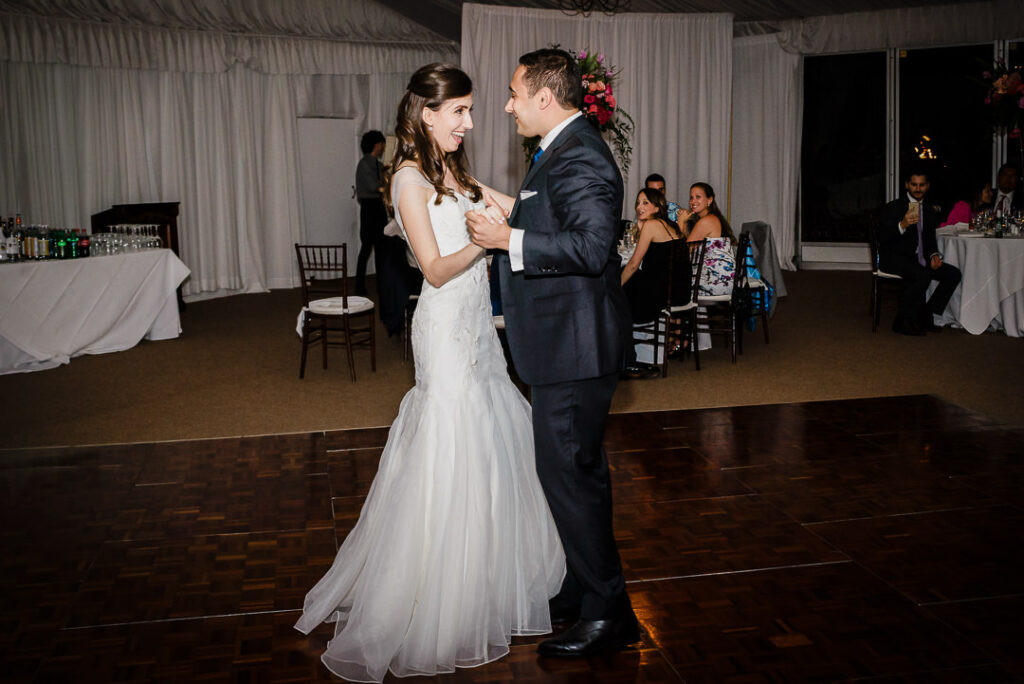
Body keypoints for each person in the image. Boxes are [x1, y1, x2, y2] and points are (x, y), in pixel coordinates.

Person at [294, 63, 565, 682]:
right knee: (449, 448)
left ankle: (486, 581)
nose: (470, 122)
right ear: (427, 113)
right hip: (444, 332)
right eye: (460, 112)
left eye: (470, 110)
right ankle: (435, 598)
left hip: (478, 334)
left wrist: (548, 208)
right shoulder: (408, 179)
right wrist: (488, 241)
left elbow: (517, 207)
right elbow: (436, 269)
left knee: (492, 447)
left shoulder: (456, 170)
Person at [466, 48, 639, 659]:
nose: (508, 105)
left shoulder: (582, 155)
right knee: (575, 474)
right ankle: (584, 590)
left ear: (545, 97)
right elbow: (551, 218)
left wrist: (505, 239)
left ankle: (610, 614)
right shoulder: (561, 150)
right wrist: (493, 202)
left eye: (515, 94)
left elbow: (593, 249)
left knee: (569, 476)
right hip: (568, 343)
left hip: (576, 346)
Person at [879, 168, 962, 336]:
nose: (918, 188)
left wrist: (933, 256)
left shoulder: (929, 211)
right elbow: (882, 237)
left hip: (918, 259)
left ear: (927, 186)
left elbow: (930, 241)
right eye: (914, 184)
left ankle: (926, 313)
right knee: (922, 274)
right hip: (894, 257)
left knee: (953, 274)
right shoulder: (894, 207)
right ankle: (903, 321)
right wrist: (901, 225)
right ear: (907, 185)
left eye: (921, 185)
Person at [621, 187, 683, 324]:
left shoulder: (652, 225)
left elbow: (634, 264)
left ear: (656, 208)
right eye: (638, 202)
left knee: (623, 275)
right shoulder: (669, 224)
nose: (639, 207)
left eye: (645, 202)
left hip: (664, 294)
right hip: (679, 291)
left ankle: (620, 332)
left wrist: (617, 284)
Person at [681, 182, 735, 297]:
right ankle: (698, 314)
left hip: (717, 280)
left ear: (709, 200)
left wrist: (681, 224)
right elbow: (691, 245)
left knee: (669, 283)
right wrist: (684, 225)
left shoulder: (707, 221)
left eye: (698, 197)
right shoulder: (712, 218)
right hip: (721, 277)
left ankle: (667, 315)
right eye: (691, 198)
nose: (693, 201)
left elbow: (683, 253)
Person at [354, 130, 386, 296]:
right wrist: (384, 184)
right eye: (381, 144)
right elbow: (374, 187)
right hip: (369, 207)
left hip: (379, 207)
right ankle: (359, 285)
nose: (383, 147)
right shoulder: (365, 164)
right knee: (366, 246)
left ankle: (382, 284)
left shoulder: (379, 165)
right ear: (376, 145)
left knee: (381, 247)